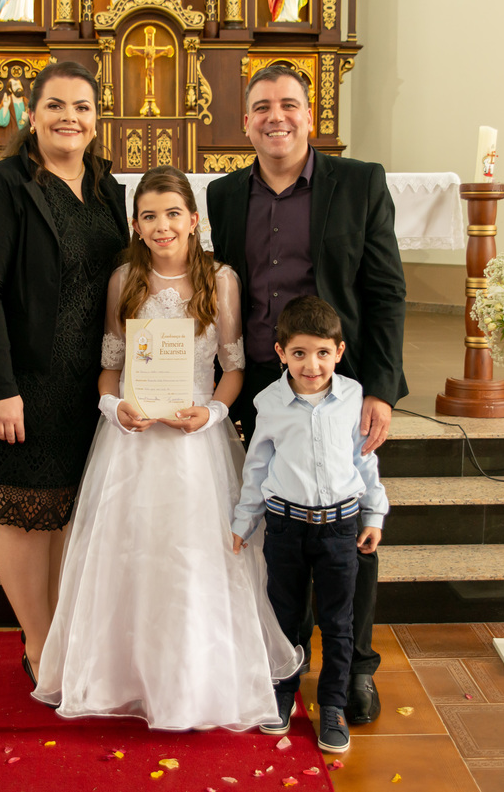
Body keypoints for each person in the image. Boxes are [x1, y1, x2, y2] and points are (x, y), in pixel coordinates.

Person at [33, 166, 301, 730]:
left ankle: (195, 676)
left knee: (192, 556)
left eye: (173, 214)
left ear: (194, 219)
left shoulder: (219, 280)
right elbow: (110, 368)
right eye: (150, 216)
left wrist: (213, 413)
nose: (162, 226)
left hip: (195, 441)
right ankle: (124, 673)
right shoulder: (125, 280)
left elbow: (232, 366)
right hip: (131, 441)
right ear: (135, 224)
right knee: (131, 552)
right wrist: (114, 408)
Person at [206, 64, 407, 726]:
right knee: (278, 530)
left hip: (338, 384)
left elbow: (384, 293)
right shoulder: (227, 194)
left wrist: (378, 389)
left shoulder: (359, 183)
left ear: (309, 114)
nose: (275, 117)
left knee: (348, 527)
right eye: (261, 106)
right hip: (261, 384)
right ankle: (282, 660)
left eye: (288, 104)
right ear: (245, 123)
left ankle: (357, 670)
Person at [0, 61, 129, 688]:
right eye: (55, 105)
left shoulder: (107, 185)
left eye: (82, 107)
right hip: (26, 380)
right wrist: (0, 388)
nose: (69, 118)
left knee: (65, 512)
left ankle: (60, 632)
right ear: (30, 115)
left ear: (95, 118)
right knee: (28, 514)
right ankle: (38, 642)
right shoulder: (3, 185)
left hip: (88, 382)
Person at [231, 295, 390, 753]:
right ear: (281, 353)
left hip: (340, 527)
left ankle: (334, 706)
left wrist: (373, 514)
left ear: (339, 351)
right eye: (299, 353)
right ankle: (281, 694)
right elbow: (257, 468)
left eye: (322, 353)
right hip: (285, 526)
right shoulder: (269, 402)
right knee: (284, 616)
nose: (312, 364)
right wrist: (245, 521)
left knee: (338, 622)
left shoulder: (355, 398)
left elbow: (366, 462)